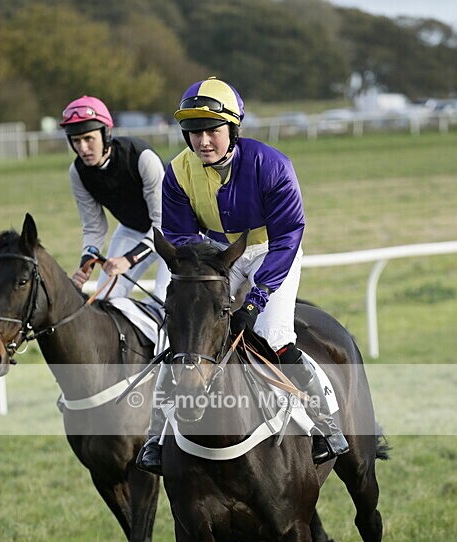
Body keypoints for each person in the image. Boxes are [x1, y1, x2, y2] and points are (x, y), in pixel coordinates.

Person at [133, 77, 349, 474]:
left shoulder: (272, 166)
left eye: (212, 131)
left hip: (272, 252)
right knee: (183, 337)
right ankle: (156, 434)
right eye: (194, 133)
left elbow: (287, 236)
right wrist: (205, 272)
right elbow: (179, 236)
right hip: (219, 258)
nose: (202, 142)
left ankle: (325, 423)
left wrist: (255, 298)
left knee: (273, 335)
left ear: (233, 129)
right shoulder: (178, 172)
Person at [60, 95, 170, 302]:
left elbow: (162, 223)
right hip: (132, 231)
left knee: (165, 301)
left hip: (174, 231)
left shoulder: (142, 157)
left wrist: (129, 259)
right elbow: (94, 227)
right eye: (76, 141)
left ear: (106, 133)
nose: (82, 148)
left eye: (88, 139)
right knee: (107, 301)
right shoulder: (77, 172)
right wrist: (87, 262)